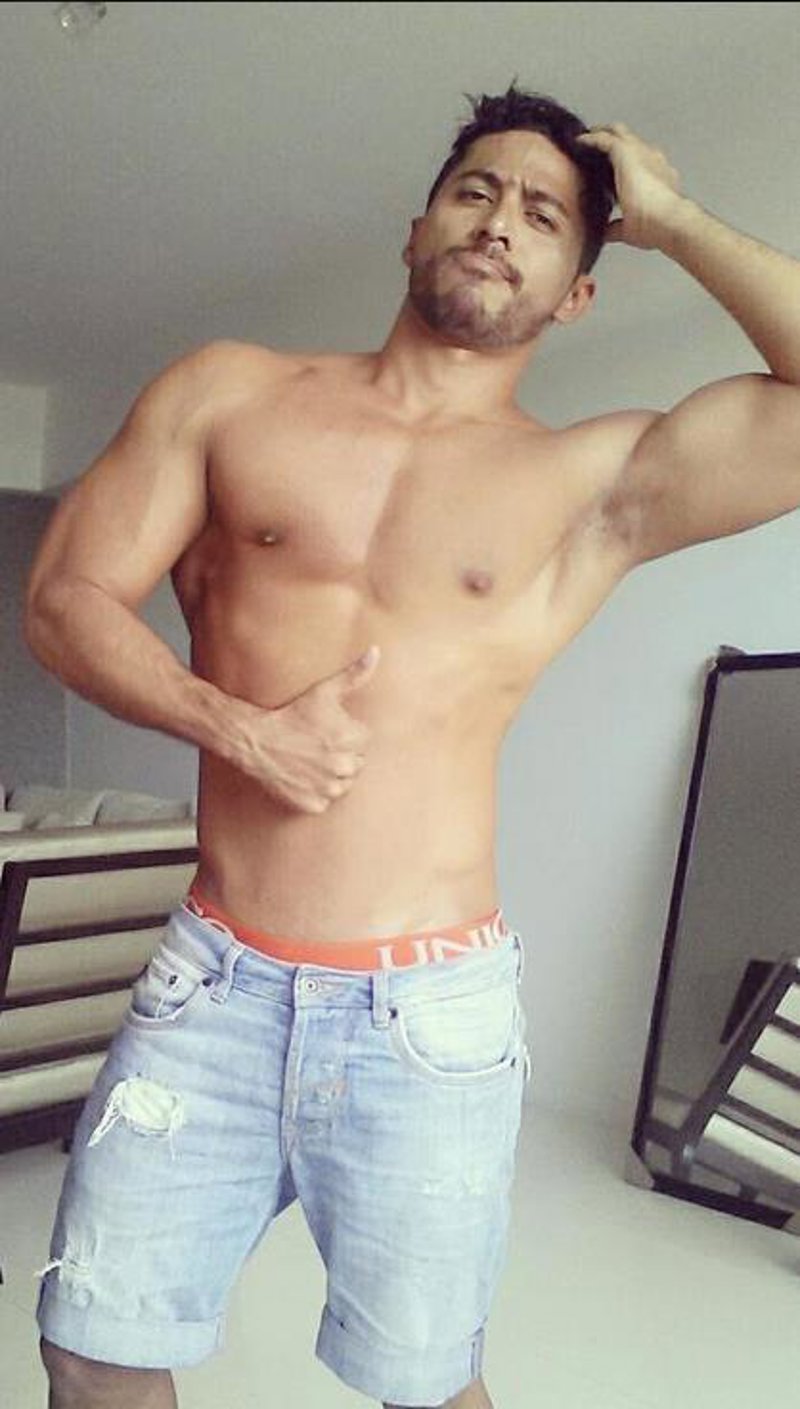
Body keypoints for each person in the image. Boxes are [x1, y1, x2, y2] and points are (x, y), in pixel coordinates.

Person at [26, 81, 800, 1409]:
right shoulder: (230, 395)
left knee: (428, 1386)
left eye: (545, 217)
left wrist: (672, 220)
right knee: (91, 1352)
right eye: (477, 191)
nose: (501, 222)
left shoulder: (594, 479)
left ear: (577, 293)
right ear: (415, 227)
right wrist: (239, 729)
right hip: (214, 986)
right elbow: (63, 598)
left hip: (429, 1015)